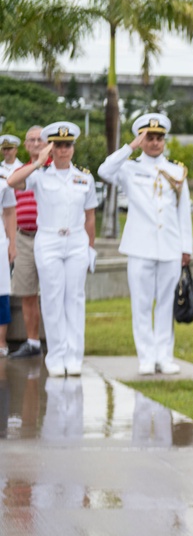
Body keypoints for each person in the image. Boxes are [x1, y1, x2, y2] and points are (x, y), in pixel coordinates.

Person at [98, 113, 192, 375]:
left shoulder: (176, 170)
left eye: (159, 138)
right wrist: (130, 147)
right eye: (149, 137)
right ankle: (146, 356)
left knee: (165, 302)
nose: (154, 142)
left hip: (170, 246)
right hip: (140, 246)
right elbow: (104, 171)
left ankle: (164, 355)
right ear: (142, 138)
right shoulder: (128, 168)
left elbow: (183, 212)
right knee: (141, 303)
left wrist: (187, 248)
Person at [7, 122, 97, 378]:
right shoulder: (39, 175)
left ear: (73, 148)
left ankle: (74, 356)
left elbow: (90, 216)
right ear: (51, 148)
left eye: (68, 145)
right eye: (58, 145)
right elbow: (13, 182)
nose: (64, 150)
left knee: (75, 299)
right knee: (52, 297)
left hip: (77, 241)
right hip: (48, 240)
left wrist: (90, 248)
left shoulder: (84, 177)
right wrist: (38, 162)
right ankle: (56, 356)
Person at [9, 126, 45, 359]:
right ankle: (32, 342)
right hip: (24, 237)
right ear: (25, 145)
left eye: (39, 139)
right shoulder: (19, 173)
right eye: (30, 140)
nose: (35, 143)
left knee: (54, 293)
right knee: (27, 293)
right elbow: (10, 209)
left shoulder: (54, 168)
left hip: (47, 237)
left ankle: (58, 340)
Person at [0, 137, 19, 356]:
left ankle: (1, 343)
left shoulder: (4, 179)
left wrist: (12, 243)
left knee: (1, 292)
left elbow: (10, 211)